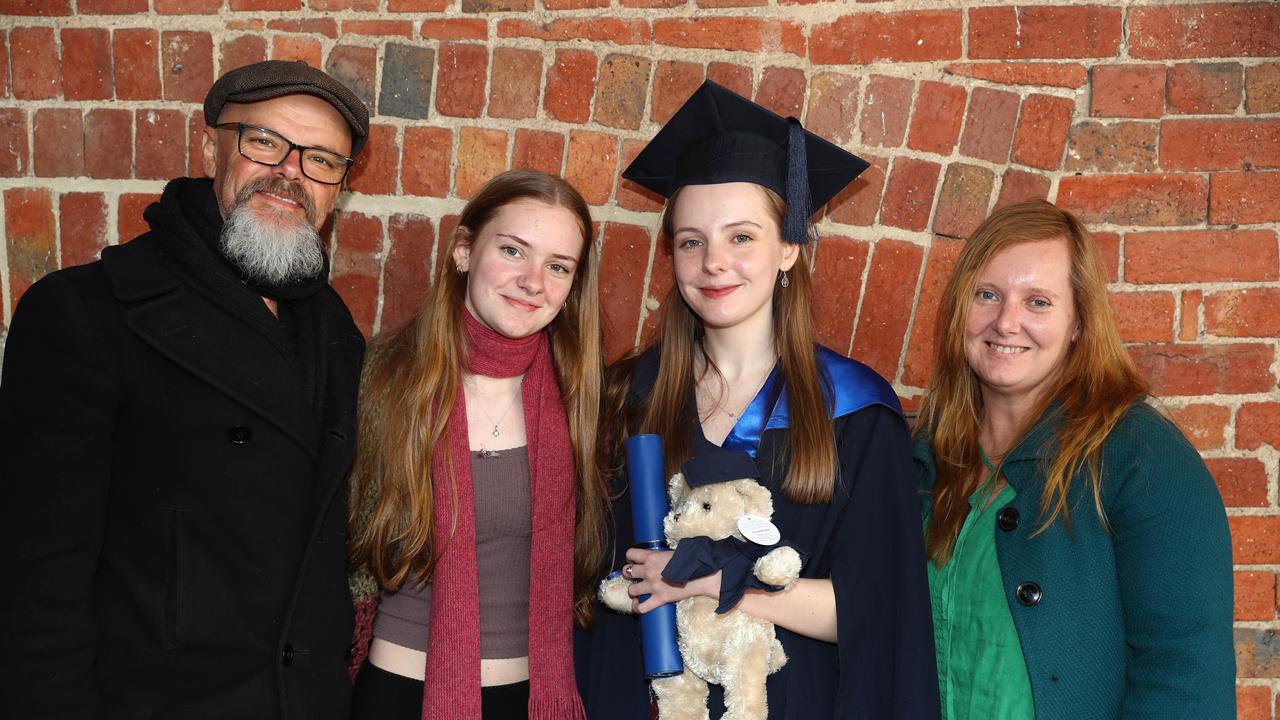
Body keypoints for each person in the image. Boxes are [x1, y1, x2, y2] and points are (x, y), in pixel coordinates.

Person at [0, 60, 370, 718]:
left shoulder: (337, 332)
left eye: (321, 160)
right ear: (210, 148)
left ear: (338, 189)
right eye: (264, 142)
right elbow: (36, 594)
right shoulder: (87, 314)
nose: (290, 172)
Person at [575, 81, 940, 719]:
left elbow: (876, 612)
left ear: (789, 249)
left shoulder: (855, 412)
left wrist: (717, 583)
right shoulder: (625, 397)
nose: (715, 262)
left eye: (742, 237)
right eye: (692, 241)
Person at [913, 200, 1235, 719]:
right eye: (987, 295)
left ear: (1079, 322)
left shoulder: (1143, 458)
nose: (1006, 321)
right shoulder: (928, 457)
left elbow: (1186, 679)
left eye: (1038, 302)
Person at [345, 169, 605, 720]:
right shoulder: (381, 377)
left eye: (558, 267)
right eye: (513, 251)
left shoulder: (582, 398)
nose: (534, 282)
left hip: (533, 698)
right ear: (464, 251)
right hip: (396, 693)